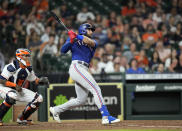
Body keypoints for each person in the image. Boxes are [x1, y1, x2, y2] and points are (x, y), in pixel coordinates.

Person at [49, 23, 120, 124]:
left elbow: (89, 42)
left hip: (84, 69)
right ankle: (106, 116)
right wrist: (71, 40)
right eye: (89, 29)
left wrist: (76, 36)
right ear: (83, 30)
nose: (91, 31)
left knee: (81, 100)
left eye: (92, 30)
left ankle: (56, 110)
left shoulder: (93, 41)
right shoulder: (73, 39)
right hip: (76, 67)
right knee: (96, 89)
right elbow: (63, 51)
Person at [0, 48, 49, 126]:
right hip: (3, 88)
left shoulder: (28, 69)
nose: (28, 58)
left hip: (17, 89)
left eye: (28, 56)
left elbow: (34, 79)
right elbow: (1, 80)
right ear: (20, 56)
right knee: (12, 95)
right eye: (26, 56)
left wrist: (41, 80)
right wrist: (14, 85)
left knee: (39, 98)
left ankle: (22, 118)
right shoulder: (11, 66)